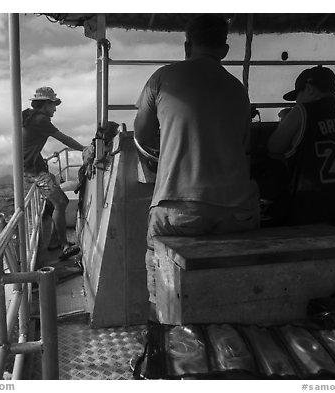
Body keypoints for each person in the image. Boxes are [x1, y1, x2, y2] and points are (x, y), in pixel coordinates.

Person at [131, 14, 260, 379]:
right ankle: (233, 360)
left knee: (161, 287)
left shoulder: (162, 78)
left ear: (187, 46)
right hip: (237, 212)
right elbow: (243, 144)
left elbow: (142, 135)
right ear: (224, 48)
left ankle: (166, 360)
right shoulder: (238, 89)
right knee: (229, 294)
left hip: (177, 210)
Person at [267, 66, 335, 232]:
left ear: (309, 88)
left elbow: (274, 148)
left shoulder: (302, 112)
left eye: (298, 95)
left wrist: (286, 120)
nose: (297, 101)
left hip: (314, 209)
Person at [22, 86, 86, 259]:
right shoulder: (40, 120)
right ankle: (64, 245)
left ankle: (53, 241)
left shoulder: (29, 116)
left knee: (54, 203)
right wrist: (84, 149)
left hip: (32, 167)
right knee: (61, 202)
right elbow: (64, 138)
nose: (55, 108)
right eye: (53, 104)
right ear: (45, 104)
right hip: (32, 170)